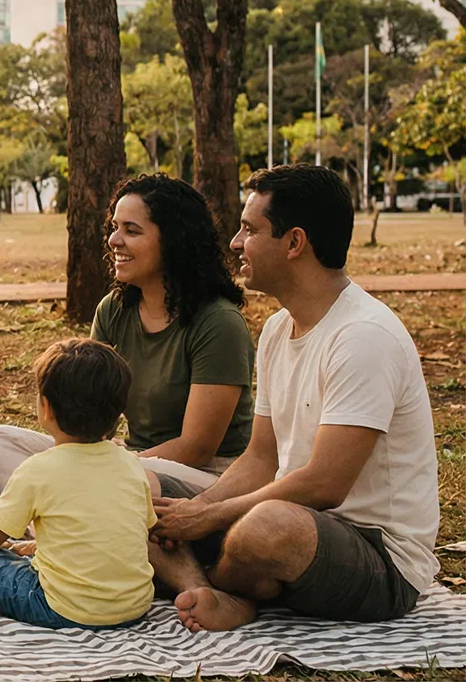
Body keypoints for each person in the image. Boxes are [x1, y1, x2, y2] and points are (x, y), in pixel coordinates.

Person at [152, 164, 440, 632]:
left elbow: (325, 485)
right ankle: (211, 587)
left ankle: (220, 584)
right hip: (286, 519)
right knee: (139, 489)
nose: (235, 244)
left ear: (294, 243)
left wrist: (210, 517)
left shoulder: (363, 336)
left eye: (250, 230)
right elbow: (261, 458)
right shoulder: (276, 329)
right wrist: (198, 509)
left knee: (267, 528)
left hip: (377, 558)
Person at [0, 174, 252, 496]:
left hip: (203, 475)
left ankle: (53, 504)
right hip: (128, 460)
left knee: (130, 482)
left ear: (174, 241)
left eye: (131, 230)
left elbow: (197, 448)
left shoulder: (218, 322)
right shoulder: (113, 309)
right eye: (115, 227)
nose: (113, 240)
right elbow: (86, 410)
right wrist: (84, 458)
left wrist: (108, 465)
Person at [0, 339, 156, 630]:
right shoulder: (131, 464)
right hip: (134, 607)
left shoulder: (38, 470)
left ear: (46, 408)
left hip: (64, 609)